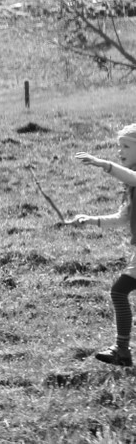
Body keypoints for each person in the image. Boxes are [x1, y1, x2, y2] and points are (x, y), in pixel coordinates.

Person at [69, 123, 136, 367]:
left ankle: (122, 350)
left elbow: (132, 177)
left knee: (119, 291)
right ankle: (122, 351)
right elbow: (121, 218)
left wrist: (103, 164)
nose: (120, 151)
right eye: (119, 146)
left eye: (126, 146)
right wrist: (90, 219)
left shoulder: (132, 179)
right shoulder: (130, 186)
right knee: (119, 291)